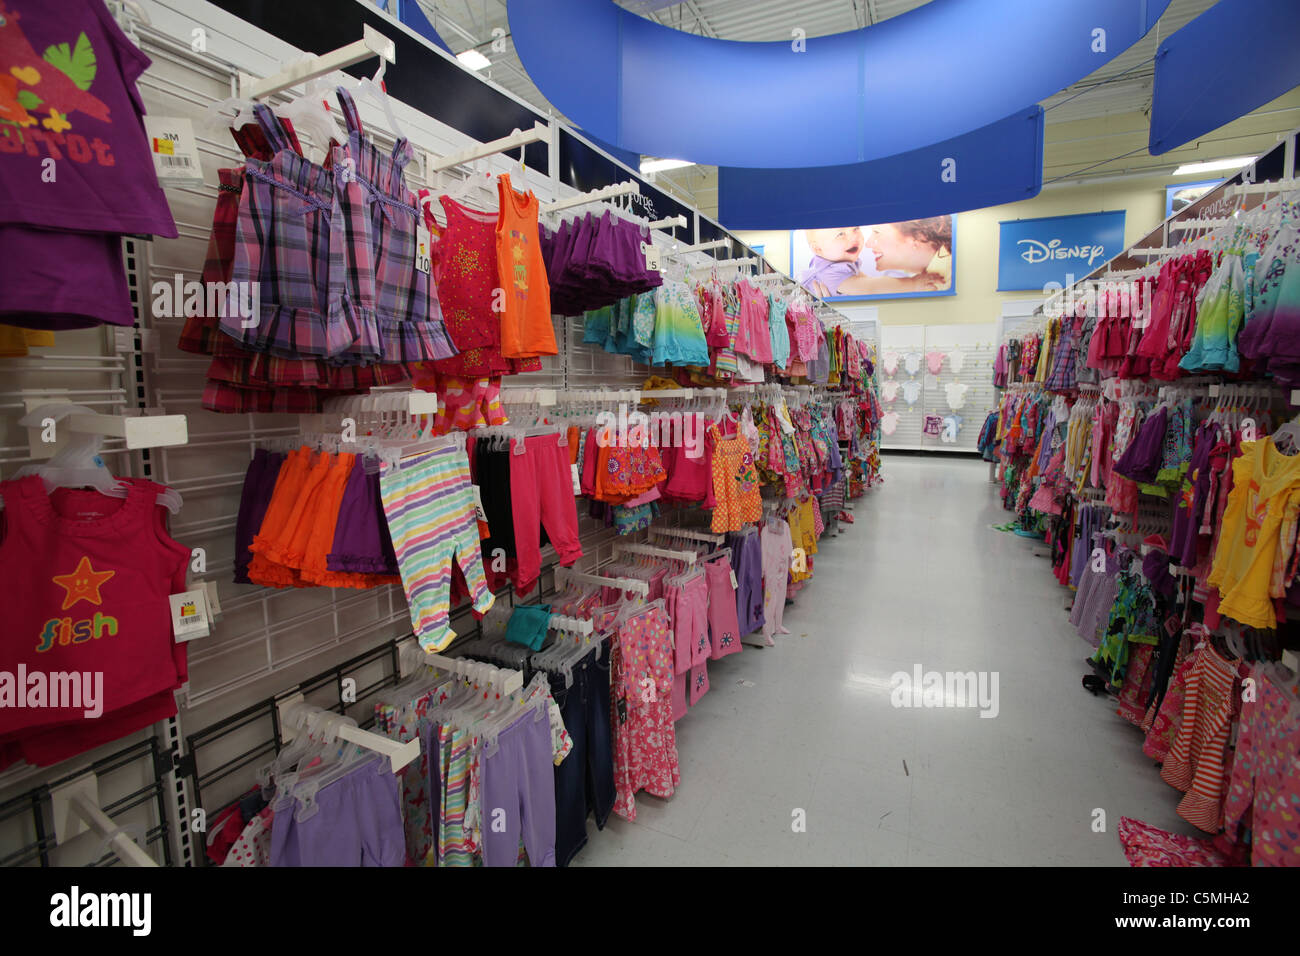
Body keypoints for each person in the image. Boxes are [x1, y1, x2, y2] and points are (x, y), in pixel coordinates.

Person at [833, 217, 953, 295]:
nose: (868, 244)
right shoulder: (933, 275)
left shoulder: (938, 285)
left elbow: (871, 287)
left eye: (877, 232)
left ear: (918, 236)